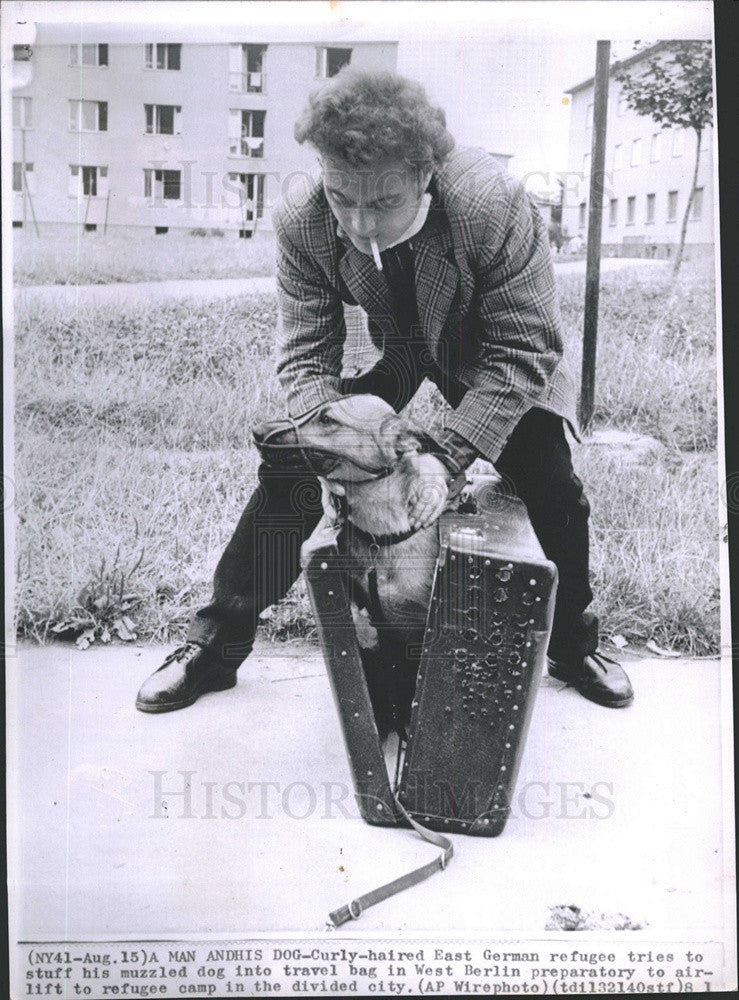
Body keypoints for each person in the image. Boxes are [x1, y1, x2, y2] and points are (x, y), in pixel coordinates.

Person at [136, 68, 633, 714]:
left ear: (425, 174)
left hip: (488, 349)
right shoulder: (302, 221)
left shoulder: (491, 203)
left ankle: (572, 642)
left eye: (383, 202)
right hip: (400, 347)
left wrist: (447, 454)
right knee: (289, 470)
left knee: (550, 482)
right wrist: (326, 440)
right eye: (343, 197)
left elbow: (524, 348)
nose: (360, 224)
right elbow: (306, 355)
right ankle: (215, 645)